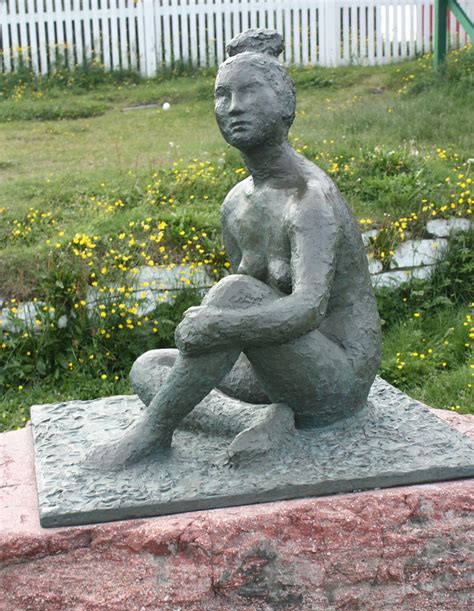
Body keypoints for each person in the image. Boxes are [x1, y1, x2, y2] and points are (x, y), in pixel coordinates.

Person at [90, 29, 381, 469]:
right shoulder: (237, 202)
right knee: (150, 368)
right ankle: (258, 420)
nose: (234, 107)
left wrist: (219, 326)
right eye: (222, 95)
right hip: (277, 364)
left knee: (232, 293)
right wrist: (221, 335)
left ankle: (153, 431)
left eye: (249, 92)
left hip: (335, 377)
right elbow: (253, 310)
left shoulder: (309, 199)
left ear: (285, 105)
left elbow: (306, 308)